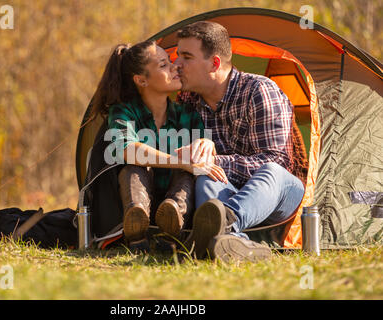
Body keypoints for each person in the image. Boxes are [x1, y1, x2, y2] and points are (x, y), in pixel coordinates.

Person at [173, 21, 305, 262]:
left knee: (271, 170)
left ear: (214, 63)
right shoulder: (188, 101)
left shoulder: (259, 90)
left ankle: (222, 225)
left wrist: (215, 161)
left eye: (186, 57)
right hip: (230, 191)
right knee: (205, 177)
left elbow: (278, 161)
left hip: (278, 195)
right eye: (176, 56)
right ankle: (237, 244)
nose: (176, 64)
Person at [90, 39, 228, 250]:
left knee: (187, 174)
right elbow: (126, 149)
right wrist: (179, 161)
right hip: (134, 199)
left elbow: (202, 160)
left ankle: (171, 229)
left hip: (177, 201)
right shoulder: (124, 112)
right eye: (163, 65)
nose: (175, 67)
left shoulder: (187, 114)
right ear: (141, 80)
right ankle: (137, 230)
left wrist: (206, 144)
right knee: (133, 168)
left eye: (170, 61)